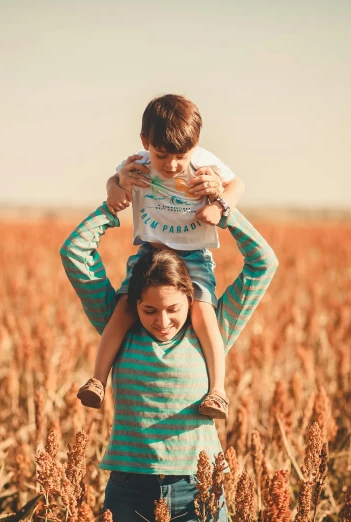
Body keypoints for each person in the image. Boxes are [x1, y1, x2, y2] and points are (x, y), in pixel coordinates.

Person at [60, 197, 277, 522]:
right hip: (129, 490)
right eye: (149, 310)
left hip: (198, 487)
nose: (162, 321)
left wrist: (225, 211)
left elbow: (264, 264)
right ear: (133, 304)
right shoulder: (117, 326)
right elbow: (74, 254)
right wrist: (111, 207)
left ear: (191, 299)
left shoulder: (212, 329)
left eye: (174, 309)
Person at [76, 94, 246, 420]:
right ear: (145, 142)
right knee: (124, 309)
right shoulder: (138, 163)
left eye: (181, 156)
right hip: (149, 252)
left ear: (195, 146)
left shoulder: (204, 164)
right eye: (162, 154)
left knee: (203, 313)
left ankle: (218, 391)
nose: (171, 165)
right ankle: (98, 380)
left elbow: (237, 184)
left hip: (194, 256)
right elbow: (115, 180)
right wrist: (115, 188)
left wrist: (220, 204)